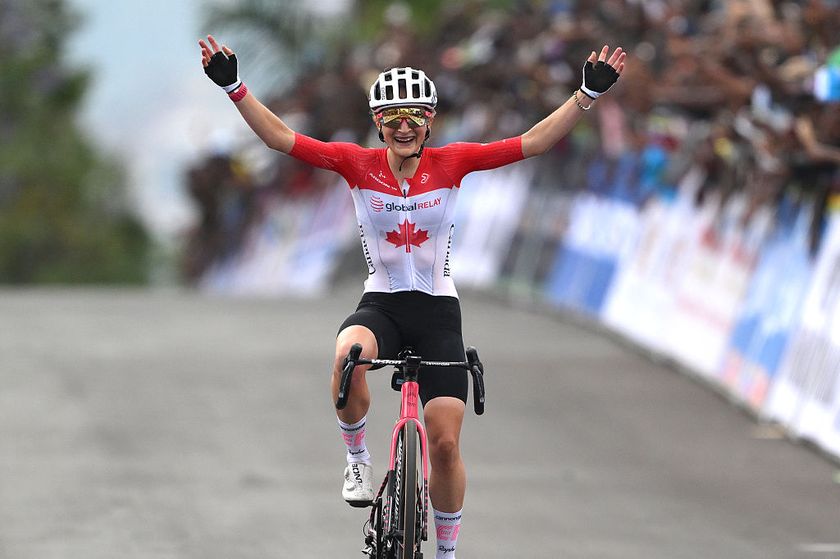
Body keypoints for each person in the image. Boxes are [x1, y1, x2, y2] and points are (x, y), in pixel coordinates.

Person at [199, 34, 625, 559]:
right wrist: (235, 88)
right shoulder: (356, 164)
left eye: (415, 117)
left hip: (438, 312)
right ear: (378, 123)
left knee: (444, 445)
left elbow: (532, 142)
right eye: (393, 117)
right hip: (382, 303)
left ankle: (445, 553)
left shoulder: (453, 163)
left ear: (430, 122)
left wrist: (586, 95)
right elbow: (281, 138)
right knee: (348, 356)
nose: (404, 127)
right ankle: (358, 459)